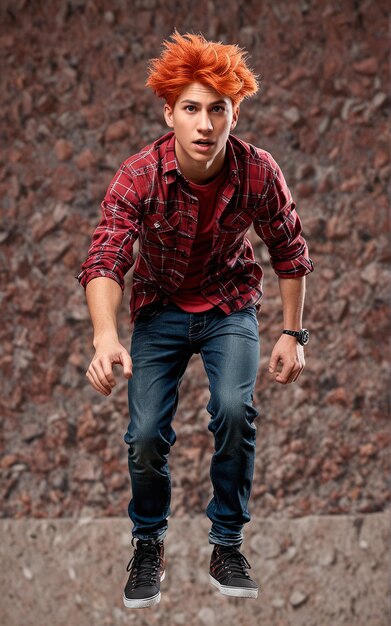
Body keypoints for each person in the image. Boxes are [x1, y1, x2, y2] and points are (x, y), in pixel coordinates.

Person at [76, 30, 313, 609]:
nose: (205, 125)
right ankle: (148, 543)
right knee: (146, 436)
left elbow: (289, 248)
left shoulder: (258, 172)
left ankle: (227, 543)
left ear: (234, 113)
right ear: (170, 113)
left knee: (234, 411)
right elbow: (107, 255)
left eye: (218, 110)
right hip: (159, 311)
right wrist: (106, 337)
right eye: (191, 110)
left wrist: (292, 332)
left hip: (229, 307)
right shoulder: (141, 174)